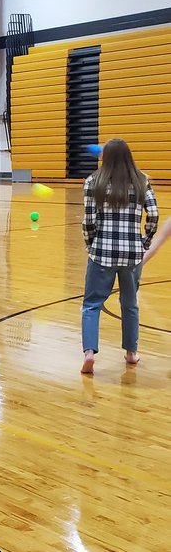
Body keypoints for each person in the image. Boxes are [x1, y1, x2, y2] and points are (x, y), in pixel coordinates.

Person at [81, 138, 157, 375]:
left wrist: (91, 244)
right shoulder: (142, 180)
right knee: (130, 304)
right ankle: (131, 353)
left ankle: (89, 353)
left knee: (92, 305)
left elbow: (89, 221)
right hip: (132, 254)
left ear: (106, 157)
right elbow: (153, 215)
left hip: (102, 253)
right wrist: (145, 241)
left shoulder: (94, 181)